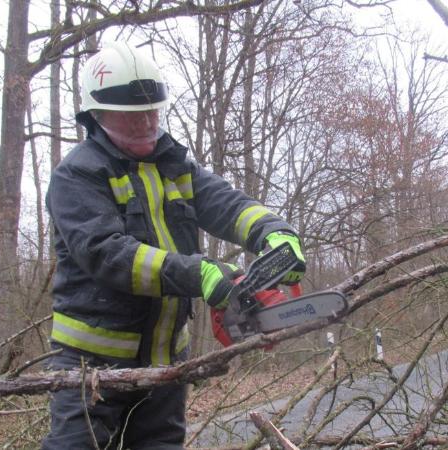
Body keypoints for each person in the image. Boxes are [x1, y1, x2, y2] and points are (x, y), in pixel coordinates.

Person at [42, 42, 305, 450]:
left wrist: (274, 233)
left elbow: (226, 204)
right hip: (91, 369)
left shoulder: (174, 165)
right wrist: (198, 273)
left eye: (152, 111)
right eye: (132, 116)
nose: (146, 122)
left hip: (166, 362)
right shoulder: (77, 175)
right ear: (97, 114)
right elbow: (106, 252)